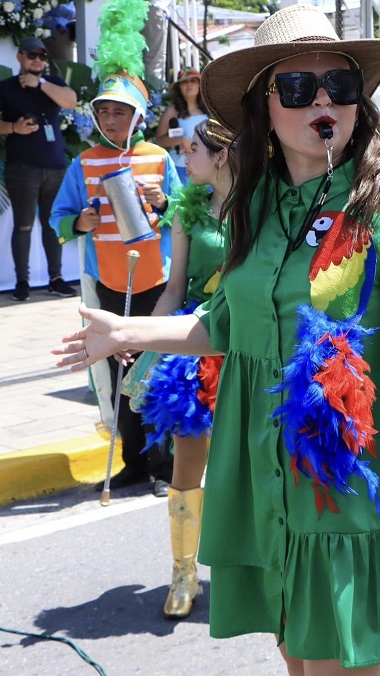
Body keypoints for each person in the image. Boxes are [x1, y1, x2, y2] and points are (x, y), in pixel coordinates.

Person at [55, 6, 380, 671]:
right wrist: (125, 330)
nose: (323, 101)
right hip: (267, 469)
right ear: (263, 109)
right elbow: (228, 324)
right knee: (297, 656)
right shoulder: (253, 206)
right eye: (297, 87)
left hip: (350, 478)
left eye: (339, 85)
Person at [50, 0, 181, 494]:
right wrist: (77, 221)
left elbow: (184, 212)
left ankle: (165, 467)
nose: (111, 118)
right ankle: (132, 462)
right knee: (118, 370)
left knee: (157, 372)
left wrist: (163, 200)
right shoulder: (82, 163)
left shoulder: (157, 157)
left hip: (158, 284)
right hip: (105, 283)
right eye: (103, 111)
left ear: (138, 115)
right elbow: (59, 217)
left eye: (120, 111)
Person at [133, 119, 233, 619]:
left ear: (221, 156)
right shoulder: (187, 211)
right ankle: (183, 572)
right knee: (187, 462)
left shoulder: (262, 210)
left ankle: (251, 564)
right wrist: (143, 337)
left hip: (242, 344)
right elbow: (174, 290)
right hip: (194, 346)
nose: (183, 160)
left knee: (252, 463)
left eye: (193, 150)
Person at [0, 37, 79, 301]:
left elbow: (71, 101)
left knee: (51, 225)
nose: (37, 59)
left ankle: (55, 279)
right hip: (22, 167)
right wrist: (13, 128)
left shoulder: (53, 83)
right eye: (32, 55)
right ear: (20, 57)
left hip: (54, 166)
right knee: (23, 226)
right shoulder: (6, 88)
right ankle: (21, 282)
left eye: (42, 56)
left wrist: (41, 83)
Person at [155, 67, 209, 184]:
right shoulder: (172, 110)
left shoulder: (209, 108)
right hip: (180, 168)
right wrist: (181, 140)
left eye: (193, 81)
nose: (189, 85)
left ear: (200, 84)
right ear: (179, 87)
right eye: (184, 82)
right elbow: (160, 140)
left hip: (206, 168)